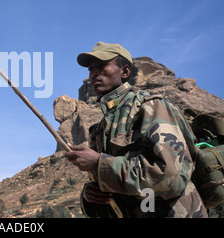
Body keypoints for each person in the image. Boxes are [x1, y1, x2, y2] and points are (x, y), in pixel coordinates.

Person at [65, 42, 208, 218]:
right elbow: (113, 193)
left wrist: (99, 164)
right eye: (91, 69)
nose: (93, 73)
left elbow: (171, 177)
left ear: (125, 72)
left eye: (101, 66)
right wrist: (89, 196)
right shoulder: (100, 128)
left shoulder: (151, 106)